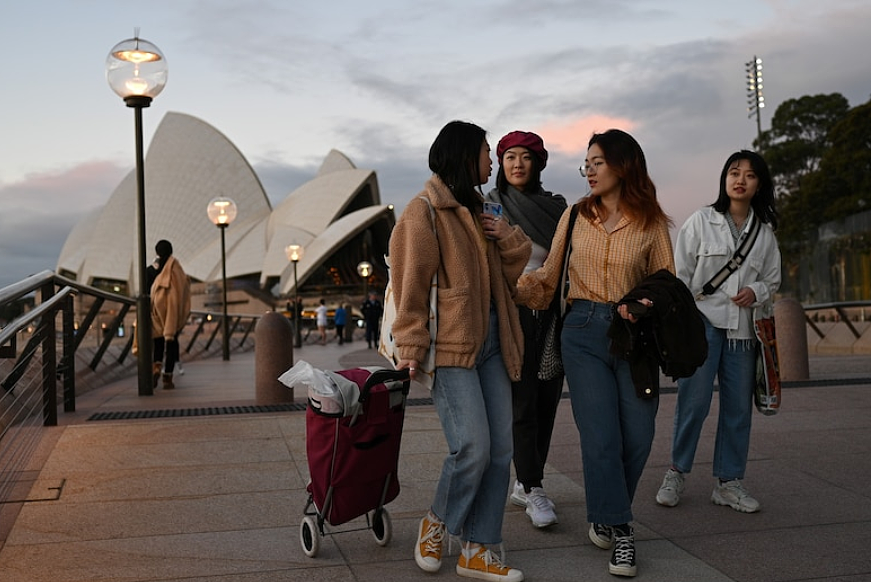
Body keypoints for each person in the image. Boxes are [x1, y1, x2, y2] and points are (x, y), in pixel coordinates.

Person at [516, 129, 674, 578]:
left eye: (598, 162)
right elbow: (547, 276)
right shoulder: (575, 216)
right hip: (582, 331)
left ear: (623, 165)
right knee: (601, 436)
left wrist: (642, 306)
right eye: (586, 163)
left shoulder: (651, 222)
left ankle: (607, 508)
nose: (589, 170)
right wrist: (509, 289)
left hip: (634, 337)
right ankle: (622, 532)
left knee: (639, 435)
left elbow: (667, 286)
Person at [391, 120, 531, 582]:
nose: (493, 162)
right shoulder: (424, 210)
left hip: (494, 338)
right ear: (464, 154)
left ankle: (479, 547)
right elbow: (409, 286)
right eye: (487, 152)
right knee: (472, 445)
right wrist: (410, 345)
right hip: (451, 345)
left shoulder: (480, 208)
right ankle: (437, 522)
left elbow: (514, 270)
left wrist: (504, 234)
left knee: (500, 449)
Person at [655, 150, 781, 514]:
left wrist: (756, 291)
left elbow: (772, 279)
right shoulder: (700, 221)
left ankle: (729, 482)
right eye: (733, 172)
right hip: (703, 326)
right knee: (693, 403)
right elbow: (680, 275)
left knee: (738, 409)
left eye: (750, 175)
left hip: (743, 331)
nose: (740, 179)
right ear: (724, 179)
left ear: (759, 185)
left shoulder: (765, 233)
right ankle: (677, 472)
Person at [485, 131, 566, 528]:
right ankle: (532, 486)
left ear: (539, 163)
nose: (517, 164)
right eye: (509, 157)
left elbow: (566, 258)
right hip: (511, 312)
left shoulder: (557, 208)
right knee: (522, 400)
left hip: (550, 312)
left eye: (526, 157)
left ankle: (528, 481)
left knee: (547, 398)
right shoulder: (489, 206)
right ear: (499, 163)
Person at [150, 240, 191, 390]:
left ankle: (156, 368)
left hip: (158, 310)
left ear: (157, 252)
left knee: (158, 342)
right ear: (171, 251)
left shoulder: (154, 269)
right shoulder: (176, 268)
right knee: (171, 343)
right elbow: (184, 288)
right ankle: (167, 377)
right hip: (172, 311)